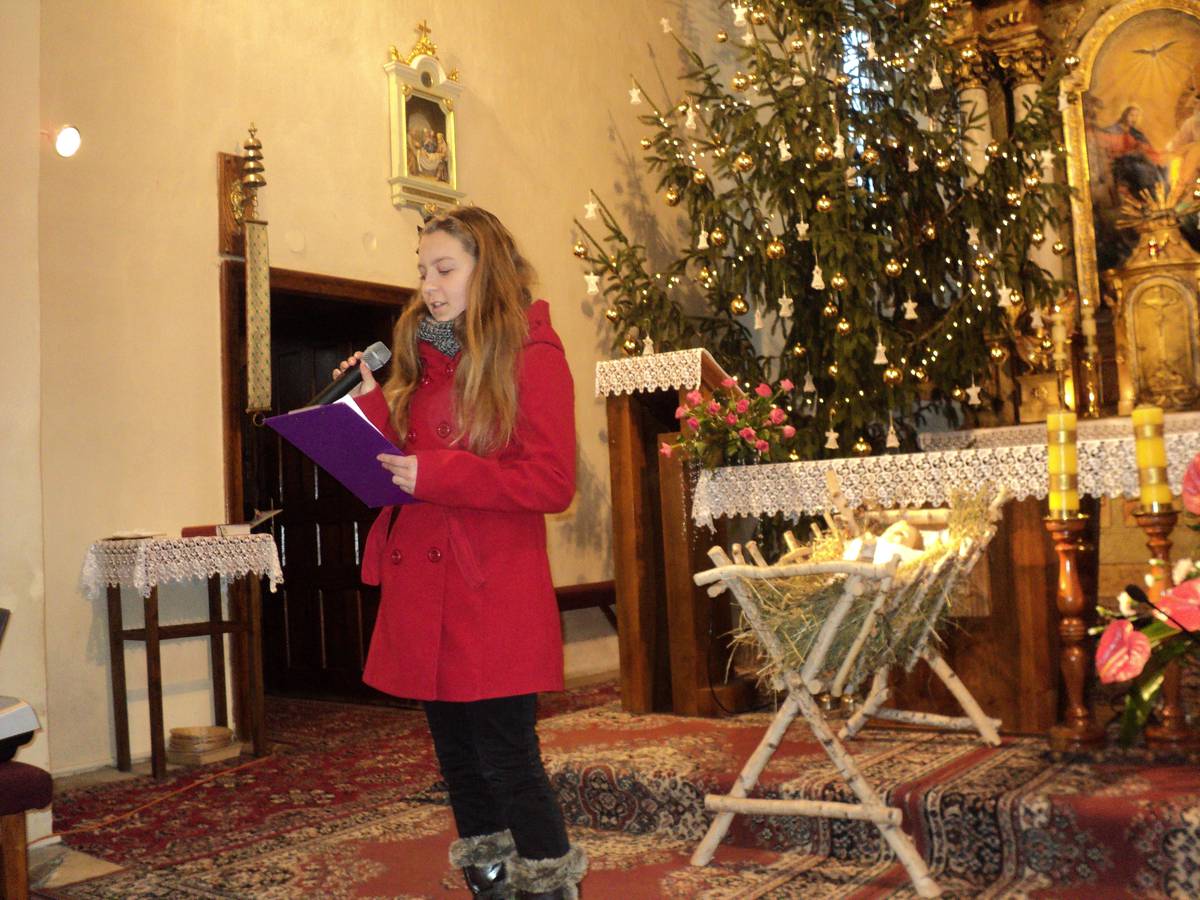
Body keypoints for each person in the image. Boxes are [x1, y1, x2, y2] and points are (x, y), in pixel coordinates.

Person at [332, 206, 585, 899]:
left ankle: (550, 885)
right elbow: (403, 462)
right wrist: (368, 406)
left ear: (487, 270)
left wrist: (441, 474)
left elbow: (552, 481)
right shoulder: (427, 361)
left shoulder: (533, 356)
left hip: (490, 588)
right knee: (459, 761)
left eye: (445, 269)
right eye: (422, 270)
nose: (429, 286)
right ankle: (491, 883)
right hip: (425, 587)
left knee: (507, 758)